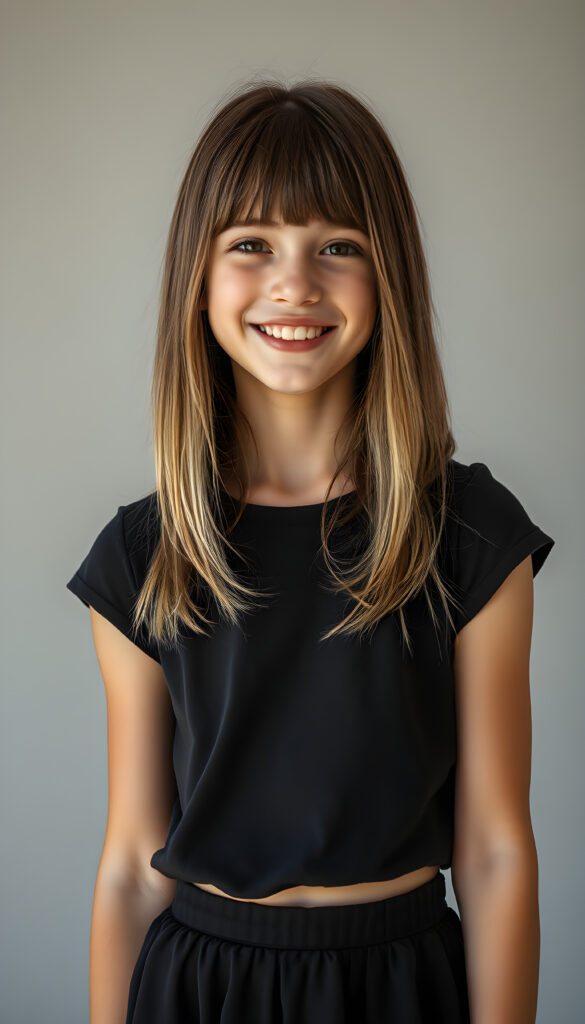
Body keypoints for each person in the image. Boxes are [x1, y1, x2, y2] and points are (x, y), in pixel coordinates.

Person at [66, 78, 555, 1024]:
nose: (295, 282)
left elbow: (494, 847)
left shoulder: (471, 534)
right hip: (195, 991)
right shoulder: (141, 556)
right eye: (251, 244)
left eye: (338, 246)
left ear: (390, 276)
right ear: (197, 278)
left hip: (402, 987)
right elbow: (132, 862)